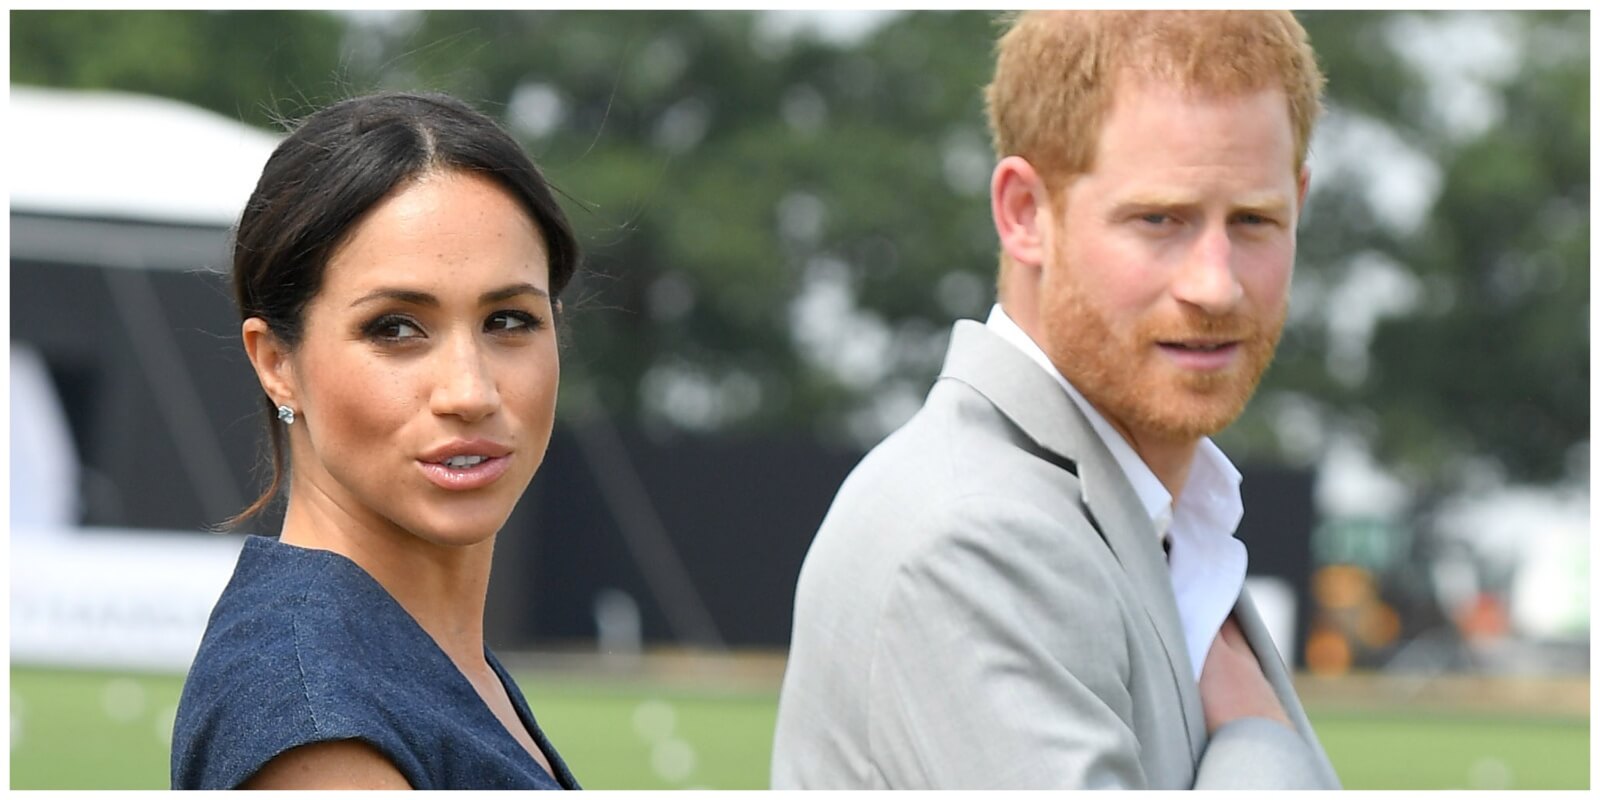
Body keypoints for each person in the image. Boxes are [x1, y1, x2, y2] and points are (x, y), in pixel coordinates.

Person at [772, 11, 1341, 789]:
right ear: (1024, 213)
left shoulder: (1150, 517)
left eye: (1254, 220)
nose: (1216, 283)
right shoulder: (970, 538)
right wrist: (1260, 738)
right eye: (1159, 219)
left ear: (1299, 206)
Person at [171, 92, 582, 790]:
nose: (469, 391)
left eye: (509, 321)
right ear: (277, 363)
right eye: (395, 328)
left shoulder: (410, 658)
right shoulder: (319, 720)